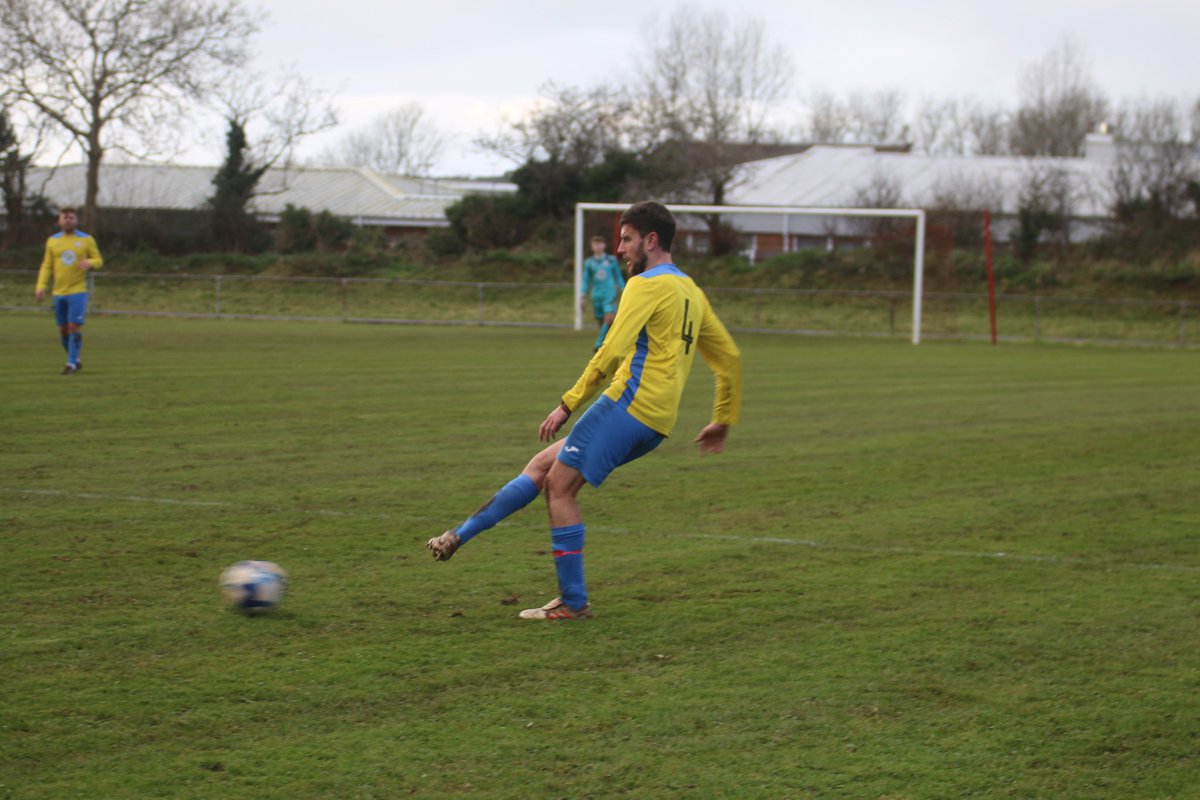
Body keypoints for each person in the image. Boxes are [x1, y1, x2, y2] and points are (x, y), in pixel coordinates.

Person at [428, 200, 742, 621]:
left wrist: (566, 404)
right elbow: (730, 358)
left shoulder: (645, 285)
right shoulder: (691, 291)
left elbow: (610, 349)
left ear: (650, 240)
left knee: (559, 487)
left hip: (628, 405)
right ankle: (457, 536)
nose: (619, 248)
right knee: (542, 466)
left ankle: (573, 602)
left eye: (627, 238)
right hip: (656, 421)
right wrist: (722, 418)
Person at [35, 206, 103, 375]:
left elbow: (99, 259)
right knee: (63, 330)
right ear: (59, 221)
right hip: (58, 293)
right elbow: (47, 265)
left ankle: (71, 364)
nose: (68, 220)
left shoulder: (86, 239)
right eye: (65, 217)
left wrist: (90, 263)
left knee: (74, 327)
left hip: (78, 291)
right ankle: (75, 358)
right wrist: (40, 286)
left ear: (76, 220)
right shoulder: (52, 241)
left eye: (71, 217)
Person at [580, 234, 625, 351]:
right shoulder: (589, 263)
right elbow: (586, 280)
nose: (598, 246)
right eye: (595, 244)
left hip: (609, 294)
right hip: (597, 296)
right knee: (602, 322)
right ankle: (607, 345)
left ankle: (598, 344)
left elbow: (618, 276)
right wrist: (583, 295)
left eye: (600, 244)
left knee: (609, 318)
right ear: (592, 246)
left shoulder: (611, 260)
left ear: (604, 245)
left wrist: (624, 289)